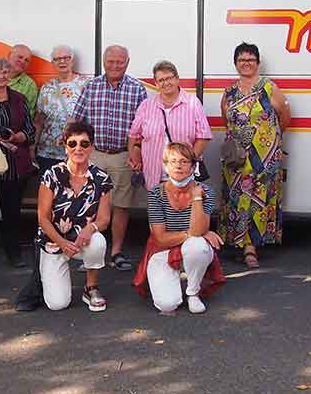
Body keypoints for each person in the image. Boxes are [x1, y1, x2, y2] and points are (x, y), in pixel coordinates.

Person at [19, 120, 112, 312]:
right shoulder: (51, 175)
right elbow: (42, 218)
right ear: (65, 147)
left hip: (82, 241)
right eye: (73, 143)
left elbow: (104, 218)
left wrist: (90, 229)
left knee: (98, 241)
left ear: (92, 147)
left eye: (84, 144)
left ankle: (91, 288)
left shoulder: (101, 178)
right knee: (58, 304)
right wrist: (61, 243)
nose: (78, 148)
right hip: (54, 242)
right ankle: (48, 276)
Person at [71, 45, 148, 270]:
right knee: (89, 205)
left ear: (128, 62)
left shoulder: (137, 89)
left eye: (120, 62)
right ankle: (89, 252)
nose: (115, 66)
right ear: (104, 62)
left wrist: (137, 151)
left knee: (121, 206)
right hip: (94, 155)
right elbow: (77, 121)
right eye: (110, 61)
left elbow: (143, 126)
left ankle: (116, 252)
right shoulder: (91, 86)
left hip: (123, 156)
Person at [133, 142, 226, 314]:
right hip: (161, 250)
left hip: (189, 247)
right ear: (166, 167)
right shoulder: (155, 193)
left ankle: (193, 292)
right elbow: (160, 238)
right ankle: (176, 276)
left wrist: (197, 198)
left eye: (184, 161)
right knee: (167, 305)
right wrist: (196, 233)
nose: (178, 165)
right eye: (173, 161)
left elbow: (198, 232)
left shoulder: (205, 191)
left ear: (193, 167)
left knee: (198, 246)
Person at [220, 42, 290, 268]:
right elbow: (226, 121)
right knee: (237, 199)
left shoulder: (269, 88)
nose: (246, 63)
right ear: (235, 64)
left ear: (258, 63)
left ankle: (251, 248)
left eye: (250, 59)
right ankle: (239, 243)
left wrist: (268, 142)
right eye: (242, 60)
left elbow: (284, 117)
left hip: (264, 159)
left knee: (257, 201)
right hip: (236, 159)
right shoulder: (229, 92)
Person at [0, 57, 36, 269]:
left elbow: (30, 131)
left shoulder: (19, 98)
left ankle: (13, 251)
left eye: (5, 72)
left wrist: (16, 137)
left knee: (12, 210)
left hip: (12, 162)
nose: (1, 76)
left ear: (10, 75)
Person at [128, 60, 211, 190]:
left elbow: (203, 136)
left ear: (177, 79)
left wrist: (188, 163)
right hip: (154, 177)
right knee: (156, 210)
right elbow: (134, 134)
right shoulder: (146, 106)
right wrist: (134, 158)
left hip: (184, 178)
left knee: (184, 210)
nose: (166, 83)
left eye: (169, 78)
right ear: (156, 83)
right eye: (161, 80)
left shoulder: (192, 103)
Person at [33, 45, 90, 177]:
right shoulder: (47, 87)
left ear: (73, 61)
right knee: (49, 194)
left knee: (74, 195)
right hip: (48, 154)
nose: (62, 62)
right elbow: (39, 121)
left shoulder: (86, 84)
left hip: (77, 152)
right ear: (52, 63)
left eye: (66, 58)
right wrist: (32, 147)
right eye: (57, 59)